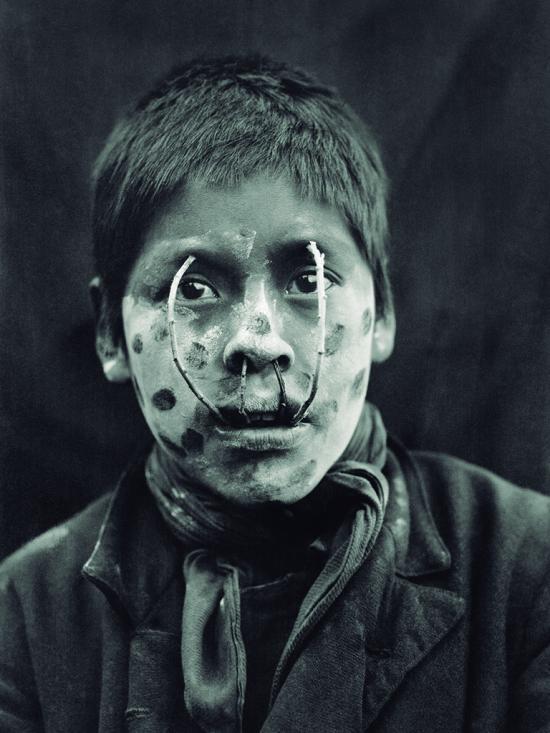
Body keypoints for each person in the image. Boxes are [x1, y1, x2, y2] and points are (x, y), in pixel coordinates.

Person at [0, 54, 549, 733]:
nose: (257, 342)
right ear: (112, 331)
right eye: (194, 288)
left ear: (381, 313)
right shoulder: (24, 616)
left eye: (308, 280)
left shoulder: (529, 570)